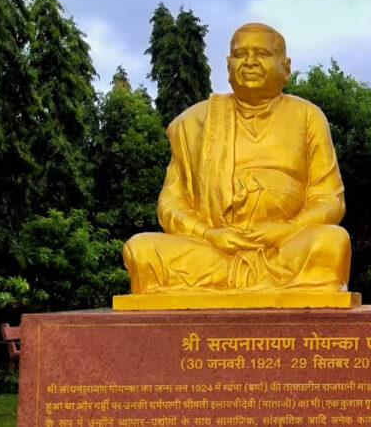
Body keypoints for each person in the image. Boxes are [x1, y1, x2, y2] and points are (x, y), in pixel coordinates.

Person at [122, 23, 351, 294]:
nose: (250, 62)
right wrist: (208, 234)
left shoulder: (308, 117)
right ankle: (251, 281)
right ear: (228, 65)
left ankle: (241, 281)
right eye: (241, 54)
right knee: (140, 249)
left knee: (333, 242)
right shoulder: (195, 123)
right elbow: (170, 203)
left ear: (286, 67)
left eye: (262, 54)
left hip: (284, 247)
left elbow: (330, 199)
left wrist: (287, 229)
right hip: (213, 249)